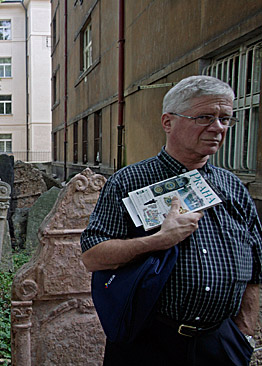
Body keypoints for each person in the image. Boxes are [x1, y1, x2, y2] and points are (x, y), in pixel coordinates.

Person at [80, 75, 262, 366]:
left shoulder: (233, 187)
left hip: (220, 343)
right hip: (150, 342)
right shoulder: (129, 181)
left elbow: (255, 266)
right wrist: (158, 241)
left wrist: (244, 333)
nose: (218, 128)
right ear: (168, 122)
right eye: (205, 117)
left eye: (225, 119)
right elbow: (92, 257)